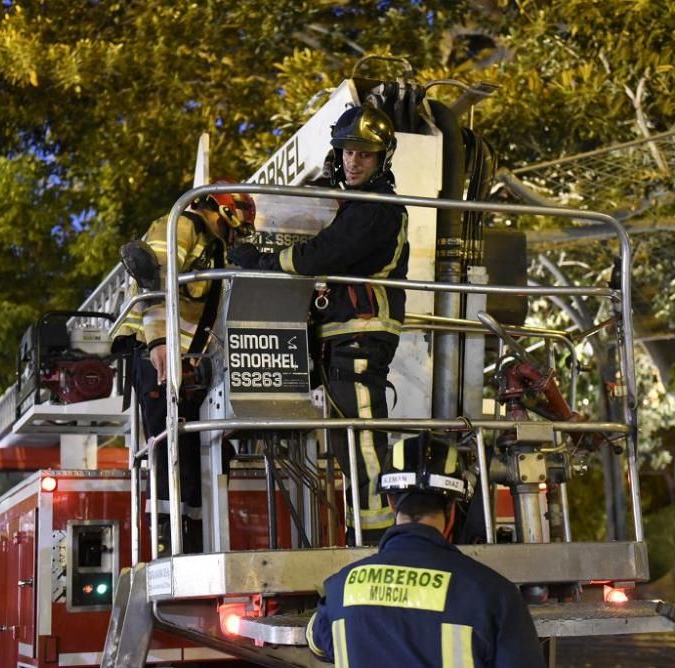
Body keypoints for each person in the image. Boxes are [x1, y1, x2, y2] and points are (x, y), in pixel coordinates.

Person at [229, 105, 409, 543]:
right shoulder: (355, 204)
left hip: (361, 331)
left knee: (363, 437)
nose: (353, 161)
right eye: (347, 151)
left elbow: (320, 255)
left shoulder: (377, 208)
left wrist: (264, 260)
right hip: (346, 333)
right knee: (353, 439)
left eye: (364, 154)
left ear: (382, 158)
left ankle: (378, 539)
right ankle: (363, 530)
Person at [306, 433, 546, 667]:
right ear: (452, 507)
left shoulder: (340, 589)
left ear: (390, 501)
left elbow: (317, 642)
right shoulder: (495, 596)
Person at [113, 182, 256, 554]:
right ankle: (167, 540)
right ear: (227, 213)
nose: (236, 237)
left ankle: (191, 537)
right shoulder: (181, 226)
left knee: (187, 450)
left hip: (182, 360)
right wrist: (160, 342)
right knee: (168, 449)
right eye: (237, 228)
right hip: (154, 353)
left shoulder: (212, 247)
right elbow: (152, 281)